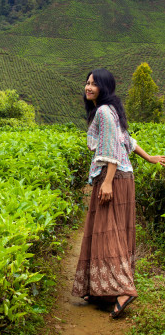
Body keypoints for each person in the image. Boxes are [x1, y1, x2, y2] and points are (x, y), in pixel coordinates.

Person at [71, 68, 165, 318]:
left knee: (107, 233)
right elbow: (128, 140)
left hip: (113, 177)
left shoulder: (103, 111)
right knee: (113, 231)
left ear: (104, 87)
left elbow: (112, 147)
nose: (88, 87)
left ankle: (123, 290)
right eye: (87, 82)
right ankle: (104, 290)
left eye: (94, 84)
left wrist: (108, 182)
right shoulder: (111, 110)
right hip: (124, 176)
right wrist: (150, 158)